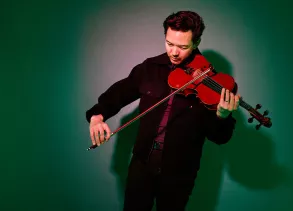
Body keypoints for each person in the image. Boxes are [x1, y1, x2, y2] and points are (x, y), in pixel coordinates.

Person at [86, 10, 240, 211]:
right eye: (169, 43)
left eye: (183, 47)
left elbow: (220, 137)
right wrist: (98, 116)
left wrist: (222, 116)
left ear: (196, 42)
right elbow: (119, 93)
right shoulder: (150, 68)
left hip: (180, 173)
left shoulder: (212, 83)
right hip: (142, 164)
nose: (174, 52)